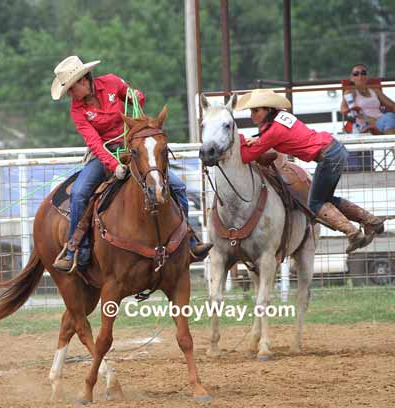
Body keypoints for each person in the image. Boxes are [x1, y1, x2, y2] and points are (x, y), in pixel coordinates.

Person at [49, 55, 212, 272]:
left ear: (83, 81)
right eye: (68, 90)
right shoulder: (77, 110)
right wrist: (113, 165)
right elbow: (94, 143)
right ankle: (75, 247)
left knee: (178, 186)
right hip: (105, 154)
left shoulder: (112, 83)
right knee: (79, 192)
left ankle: (189, 238)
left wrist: (135, 95)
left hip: (133, 146)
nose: (70, 94)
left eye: (71, 88)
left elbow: (138, 100)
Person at [237, 89, 385, 253]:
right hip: (334, 149)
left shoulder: (273, 131)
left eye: (255, 110)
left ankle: (353, 234)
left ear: (268, 110)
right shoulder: (282, 117)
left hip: (327, 157)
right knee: (325, 200)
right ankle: (371, 221)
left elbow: (246, 156)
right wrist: (258, 139)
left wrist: (238, 139)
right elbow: (282, 134)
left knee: (315, 204)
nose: (252, 115)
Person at [340, 63, 395, 134]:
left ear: (367, 76)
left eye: (363, 73)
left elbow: (392, 105)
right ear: (352, 78)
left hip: (382, 120)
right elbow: (343, 109)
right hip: (365, 122)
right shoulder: (350, 92)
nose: (360, 76)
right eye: (356, 74)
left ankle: (389, 139)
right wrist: (352, 110)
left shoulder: (375, 91)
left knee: (390, 117)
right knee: (389, 119)